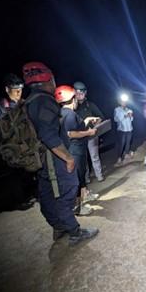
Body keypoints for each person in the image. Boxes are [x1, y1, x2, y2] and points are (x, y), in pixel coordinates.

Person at [22, 61, 98, 246]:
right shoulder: (44, 101)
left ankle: (58, 226)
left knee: (46, 194)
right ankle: (74, 231)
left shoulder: (29, 101)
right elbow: (48, 134)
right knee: (68, 190)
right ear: (48, 78)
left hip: (39, 158)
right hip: (52, 157)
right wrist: (68, 157)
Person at [55, 85, 98, 216]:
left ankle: (84, 196)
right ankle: (78, 208)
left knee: (81, 174)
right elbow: (71, 133)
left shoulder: (63, 113)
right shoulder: (70, 114)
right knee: (78, 178)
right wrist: (89, 132)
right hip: (76, 150)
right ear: (72, 99)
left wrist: (86, 120)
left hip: (76, 149)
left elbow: (74, 128)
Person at [74, 81, 106, 182]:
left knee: (94, 156)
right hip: (79, 136)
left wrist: (96, 124)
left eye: (82, 93)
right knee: (83, 159)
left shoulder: (89, 104)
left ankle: (99, 175)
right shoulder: (73, 107)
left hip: (91, 135)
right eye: (78, 93)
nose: (80, 95)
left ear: (85, 93)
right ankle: (86, 178)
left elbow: (101, 117)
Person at [113, 93, 134, 166]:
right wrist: (124, 116)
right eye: (122, 101)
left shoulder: (129, 110)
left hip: (129, 129)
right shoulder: (117, 109)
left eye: (125, 102)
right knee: (121, 144)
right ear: (119, 102)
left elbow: (131, 120)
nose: (124, 103)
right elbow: (115, 119)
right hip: (122, 130)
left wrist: (131, 116)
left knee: (128, 143)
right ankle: (119, 158)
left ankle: (126, 156)